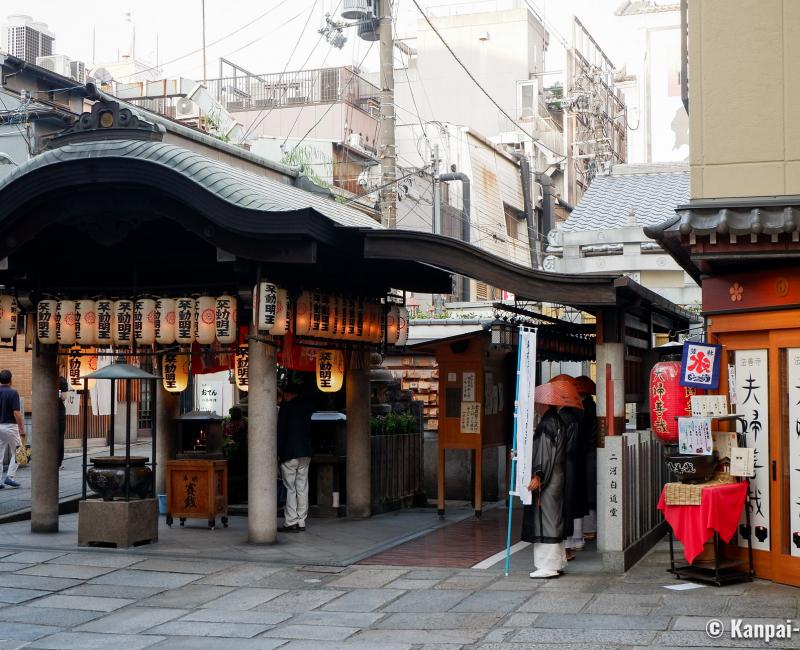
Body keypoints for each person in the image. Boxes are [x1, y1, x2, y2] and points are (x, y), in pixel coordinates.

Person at [521, 386, 567, 579]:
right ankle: (557, 561)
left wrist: (538, 476)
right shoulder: (557, 421)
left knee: (546, 520)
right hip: (557, 476)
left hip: (548, 480)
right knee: (554, 519)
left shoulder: (546, 424)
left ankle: (548, 565)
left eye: (538, 402)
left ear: (545, 402)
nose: (536, 405)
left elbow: (544, 455)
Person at [277, 384, 315, 532]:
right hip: (306, 452)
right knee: (302, 487)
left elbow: (281, 432)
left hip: (289, 453)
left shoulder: (286, 408)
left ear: (287, 394)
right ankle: (301, 521)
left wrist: (278, 453)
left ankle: (290, 521)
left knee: (290, 487)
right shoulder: (308, 406)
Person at [575, 376, 598, 541]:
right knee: (586, 489)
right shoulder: (586, 406)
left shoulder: (586, 407)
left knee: (588, 489)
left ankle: (590, 528)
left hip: (587, 451)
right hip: (586, 451)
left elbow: (585, 433)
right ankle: (589, 528)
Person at [0, 370, 25, 488]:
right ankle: (10, 477)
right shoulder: (13, 393)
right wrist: (21, 428)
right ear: (11, 380)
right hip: (10, 426)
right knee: (20, 452)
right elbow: (16, 413)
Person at [58, 376, 68, 470]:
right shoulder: (61, 380)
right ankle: (58, 462)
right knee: (59, 438)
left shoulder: (45, 377)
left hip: (45, 411)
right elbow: (64, 397)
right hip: (58, 411)